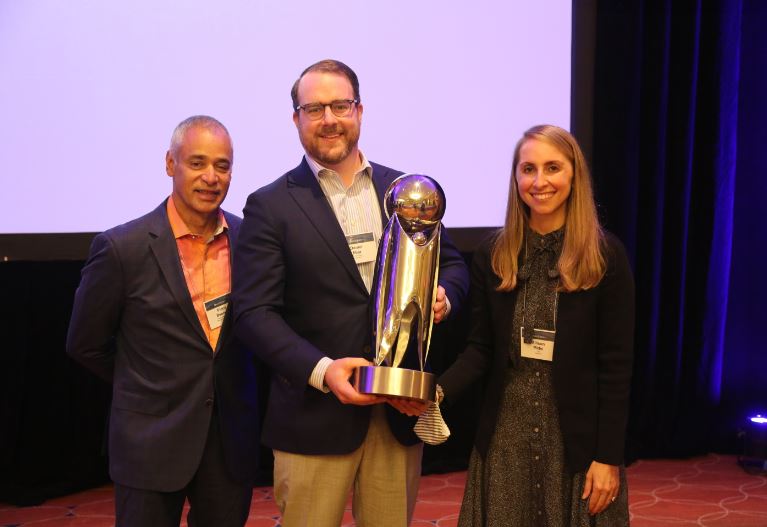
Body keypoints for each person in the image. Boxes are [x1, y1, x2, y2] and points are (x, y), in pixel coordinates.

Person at [232, 59, 469, 526]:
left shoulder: (404, 190)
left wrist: (443, 294)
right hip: (314, 418)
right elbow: (254, 314)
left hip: (397, 413)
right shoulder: (270, 205)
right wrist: (323, 371)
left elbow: (456, 264)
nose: (329, 119)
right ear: (295, 118)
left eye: (340, 105)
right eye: (314, 108)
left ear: (359, 110)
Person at [433, 124, 634, 525]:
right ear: (516, 178)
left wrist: (608, 457)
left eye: (553, 168)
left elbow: (616, 366)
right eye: (528, 169)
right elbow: (480, 350)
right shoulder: (495, 253)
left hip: (576, 441)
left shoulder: (604, 256)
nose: (539, 181)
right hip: (507, 435)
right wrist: (435, 392)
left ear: (574, 174)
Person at [66, 116, 259, 527]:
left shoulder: (250, 241)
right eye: (197, 163)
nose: (211, 177)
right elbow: (85, 343)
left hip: (228, 442)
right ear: (170, 164)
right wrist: (146, 381)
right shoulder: (122, 248)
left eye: (222, 166)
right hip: (149, 441)